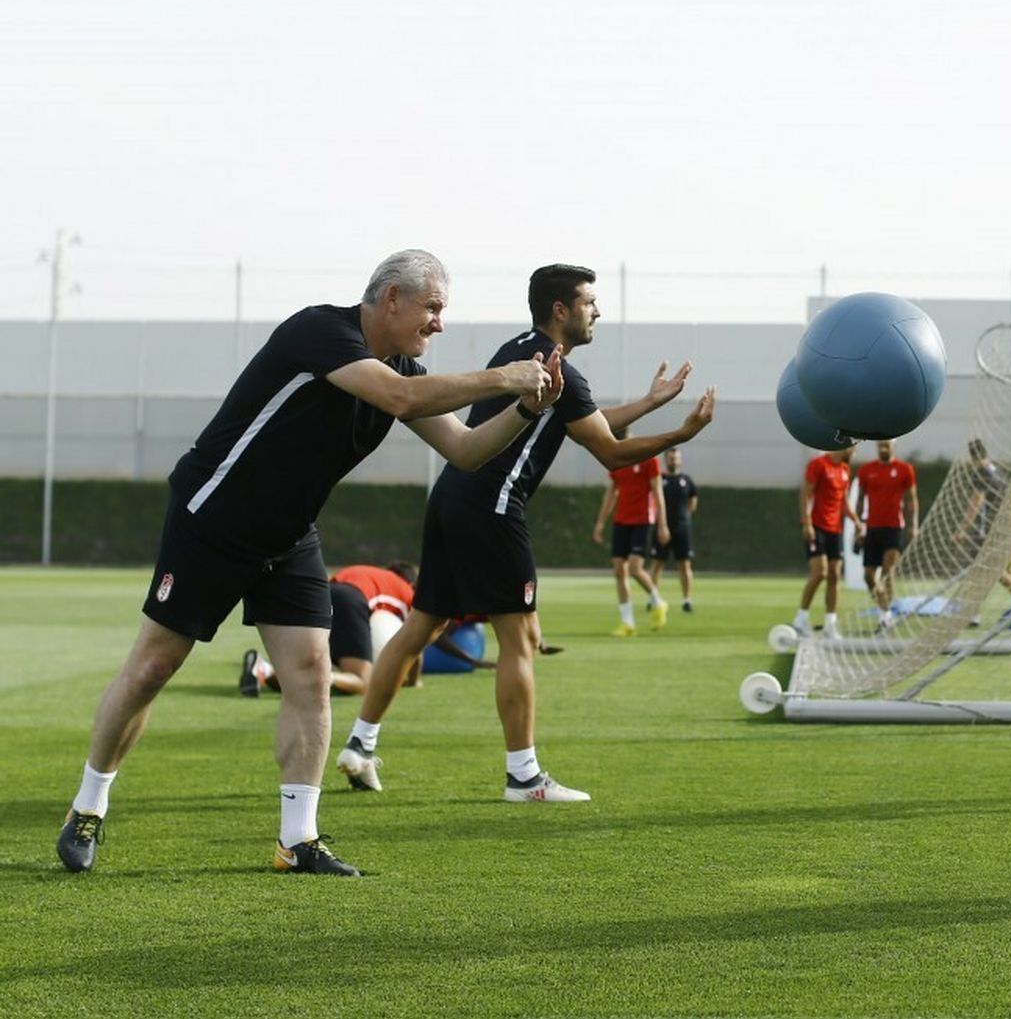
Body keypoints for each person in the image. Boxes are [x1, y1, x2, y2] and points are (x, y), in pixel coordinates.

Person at [55, 249, 559, 877]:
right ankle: (87, 808)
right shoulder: (321, 331)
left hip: (289, 536)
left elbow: (464, 450)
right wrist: (504, 378)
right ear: (392, 299)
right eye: (432, 308)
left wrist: (527, 410)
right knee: (154, 666)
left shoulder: (401, 368)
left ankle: (298, 840)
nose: (439, 324)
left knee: (312, 674)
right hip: (213, 518)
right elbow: (400, 398)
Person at [337, 263, 715, 803]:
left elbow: (586, 420)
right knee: (518, 638)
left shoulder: (520, 350)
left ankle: (360, 744)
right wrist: (682, 432)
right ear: (560, 310)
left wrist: (653, 402)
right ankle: (524, 777)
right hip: (491, 507)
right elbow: (608, 449)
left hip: (452, 495)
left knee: (422, 625)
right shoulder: (561, 371)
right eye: (589, 303)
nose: (598, 312)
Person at [239, 561, 418, 698]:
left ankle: (263, 669)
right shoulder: (405, 590)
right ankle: (324, 677)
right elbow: (414, 639)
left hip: (324, 595)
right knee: (363, 681)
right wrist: (413, 680)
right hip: (352, 600)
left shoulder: (365, 571)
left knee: (300, 673)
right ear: (410, 582)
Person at [592, 434, 670, 636]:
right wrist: (600, 522)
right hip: (621, 521)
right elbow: (611, 493)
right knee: (619, 570)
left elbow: (658, 493)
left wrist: (662, 525)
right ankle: (627, 623)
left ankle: (658, 602)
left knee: (635, 568)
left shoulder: (648, 457)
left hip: (644, 520)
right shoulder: (615, 459)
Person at [793, 447, 862, 638]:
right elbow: (805, 494)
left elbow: (844, 502)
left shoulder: (845, 470)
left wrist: (857, 522)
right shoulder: (818, 465)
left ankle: (830, 624)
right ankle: (800, 619)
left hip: (835, 531)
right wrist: (806, 523)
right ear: (846, 447)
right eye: (854, 450)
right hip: (816, 526)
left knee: (834, 575)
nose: (854, 454)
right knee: (820, 572)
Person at [955, 438, 1011, 604]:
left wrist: (963, 529)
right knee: (985, 570)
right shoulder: (997, 472)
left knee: (989, 569)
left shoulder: (981, 473)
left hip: (986, 529)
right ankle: (973, 613)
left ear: (972, 457)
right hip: (1002, 527)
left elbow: (976, 502)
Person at [854, 439, 919, 617]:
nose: (883, 448)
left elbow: (911, 500)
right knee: (868, 576)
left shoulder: (905, 469)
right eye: (880, 445)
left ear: (894, 446)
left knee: (888, 570)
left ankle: (887, 615)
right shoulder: (866, 470)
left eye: (887, 445)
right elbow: (860, 500)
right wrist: (858, 527)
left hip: (894, 527)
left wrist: (913, 525)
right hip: (872, 528)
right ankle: (885, 608)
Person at [649, 446, 699, 612]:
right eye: (671, 457)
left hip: (682, 529)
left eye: (676, 457)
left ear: (680, 460)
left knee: (684, 565)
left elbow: (693, 503)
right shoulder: (659, 479)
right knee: (657, 564)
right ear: (666, 459)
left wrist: (685, 519)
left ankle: (686, 600)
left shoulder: (687, 480)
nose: (674, 460)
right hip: (662, 527)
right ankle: (653, 597)